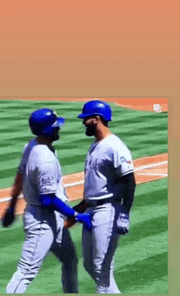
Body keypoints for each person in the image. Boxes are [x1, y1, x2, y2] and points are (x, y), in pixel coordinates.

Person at [1, 108, 92, 294]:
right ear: (46, 130)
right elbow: (48, 200)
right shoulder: (45, 160)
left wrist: (11, 206)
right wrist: (75, 215)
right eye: (55, 127)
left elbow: (19, 176)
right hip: (43, 222)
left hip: (50, 218)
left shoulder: (32, 146)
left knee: (70, 259)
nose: (58, 129)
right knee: (26, 271)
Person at [64, 100, 136, 294]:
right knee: (90, 265)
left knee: (101, 267)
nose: (83, 123)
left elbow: (129, 181)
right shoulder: (95, 146)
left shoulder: (114, 146)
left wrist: (124, 214)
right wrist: (75, 212)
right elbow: (94, 189)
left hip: (108, 211)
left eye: (86, 119)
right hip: (91, 209)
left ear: (96, 119)